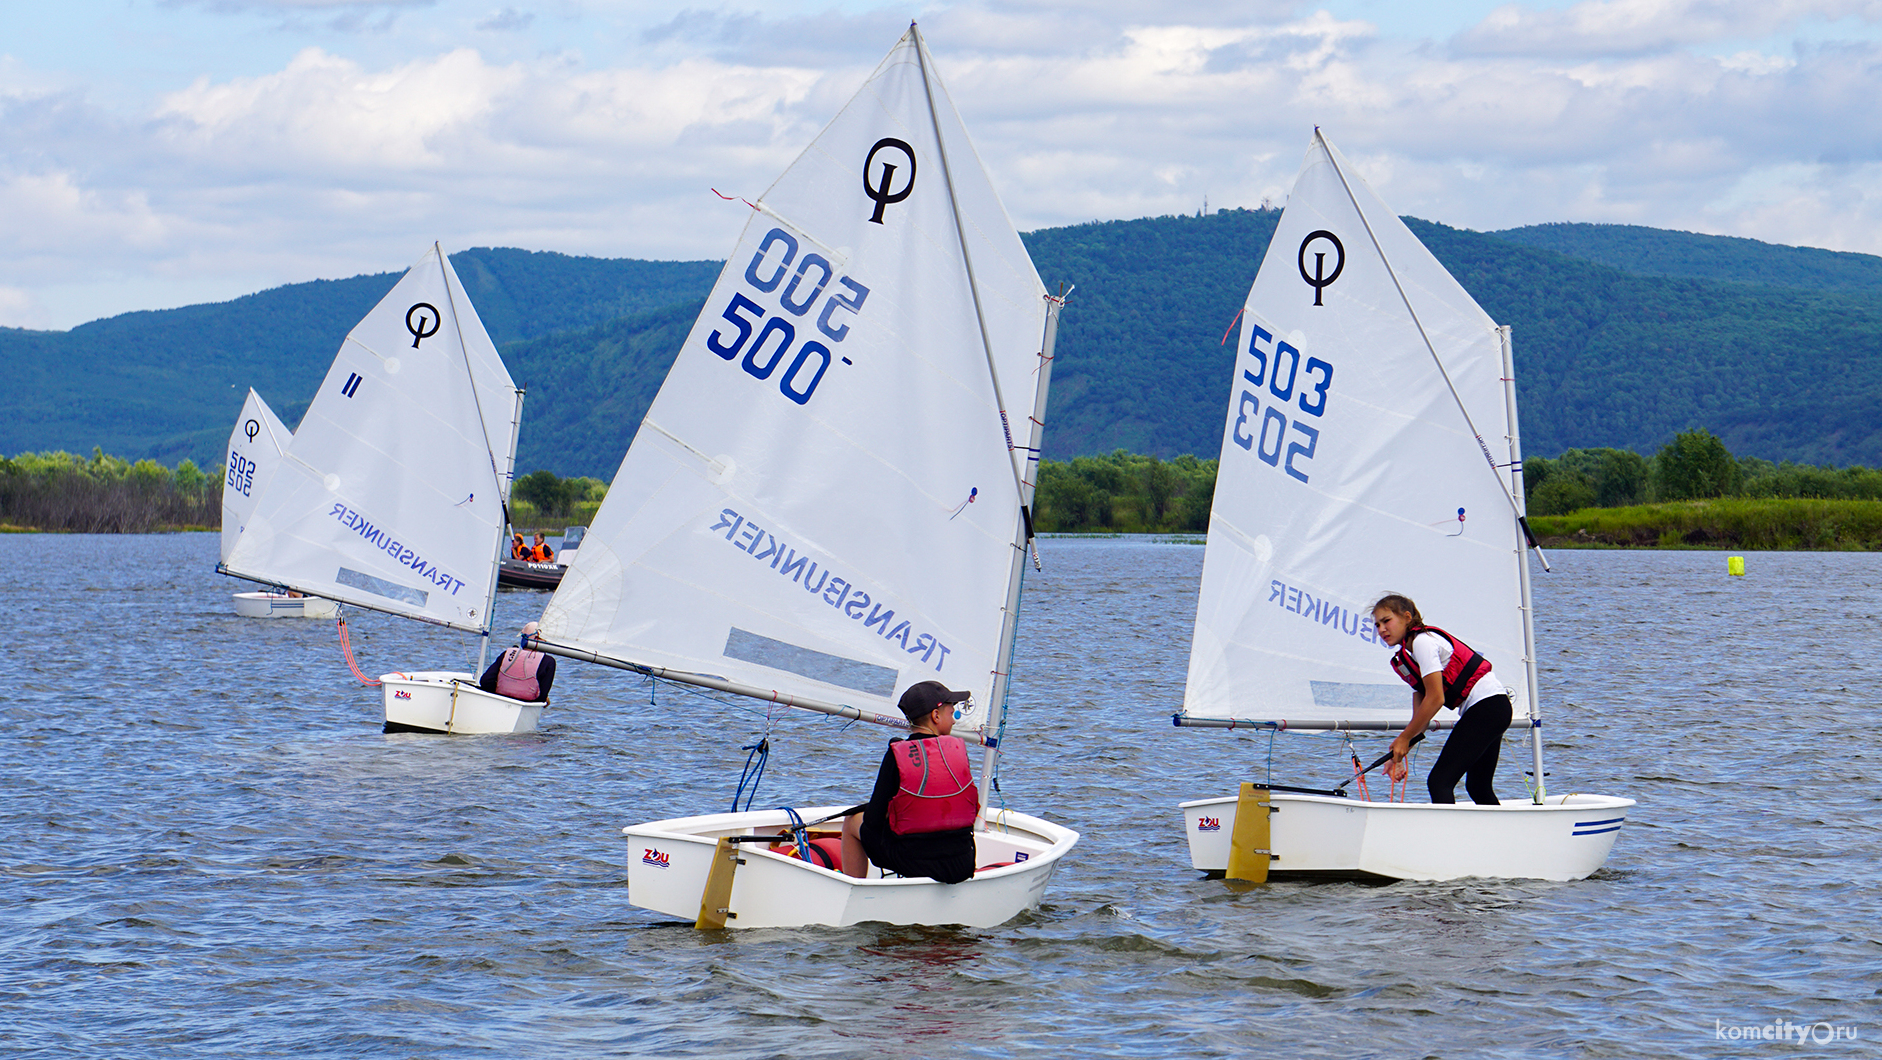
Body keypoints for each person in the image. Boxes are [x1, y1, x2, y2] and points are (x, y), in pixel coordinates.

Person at [1372, 594, 1513, 805]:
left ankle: (1450, 837)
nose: (1382, 629)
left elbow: (1436, 698)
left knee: (1439, 782)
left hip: (1488, 707)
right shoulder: (1408, 655)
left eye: (1387, 621)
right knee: (1478, 787)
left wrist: (1403, 738)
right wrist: (1401, 751)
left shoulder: (1423, 642)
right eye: (1377, 624)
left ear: (1407, 617)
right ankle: (1501, 836)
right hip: (1493, 708)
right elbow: (1422, 705)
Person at [839, 680, 981, 883]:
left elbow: (873, 821)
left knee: (852, 820)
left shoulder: (897, 755)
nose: (955, 721)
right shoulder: (957, 753)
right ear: (936, 715)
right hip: (961, 863)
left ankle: (855, 888)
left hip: (913, 862)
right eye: (952, 713)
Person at [478, 621, 556, 702]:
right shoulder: (548, 662)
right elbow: (541, 697)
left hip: (500, 700)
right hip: (526, 704)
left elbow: (485, 681)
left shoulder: (508, 653)